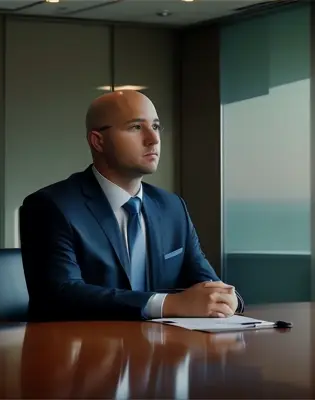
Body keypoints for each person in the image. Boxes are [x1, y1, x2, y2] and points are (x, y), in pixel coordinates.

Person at [19, 90, 244, 321]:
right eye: (136, 127)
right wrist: (167, 304)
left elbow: (206, 281)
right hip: (85, 351)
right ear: (98, 141)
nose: (153, 139)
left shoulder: (172, 207)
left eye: (155, 127)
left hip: (164, 350)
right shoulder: (51, 206)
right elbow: (60, 295)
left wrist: (227, 298)